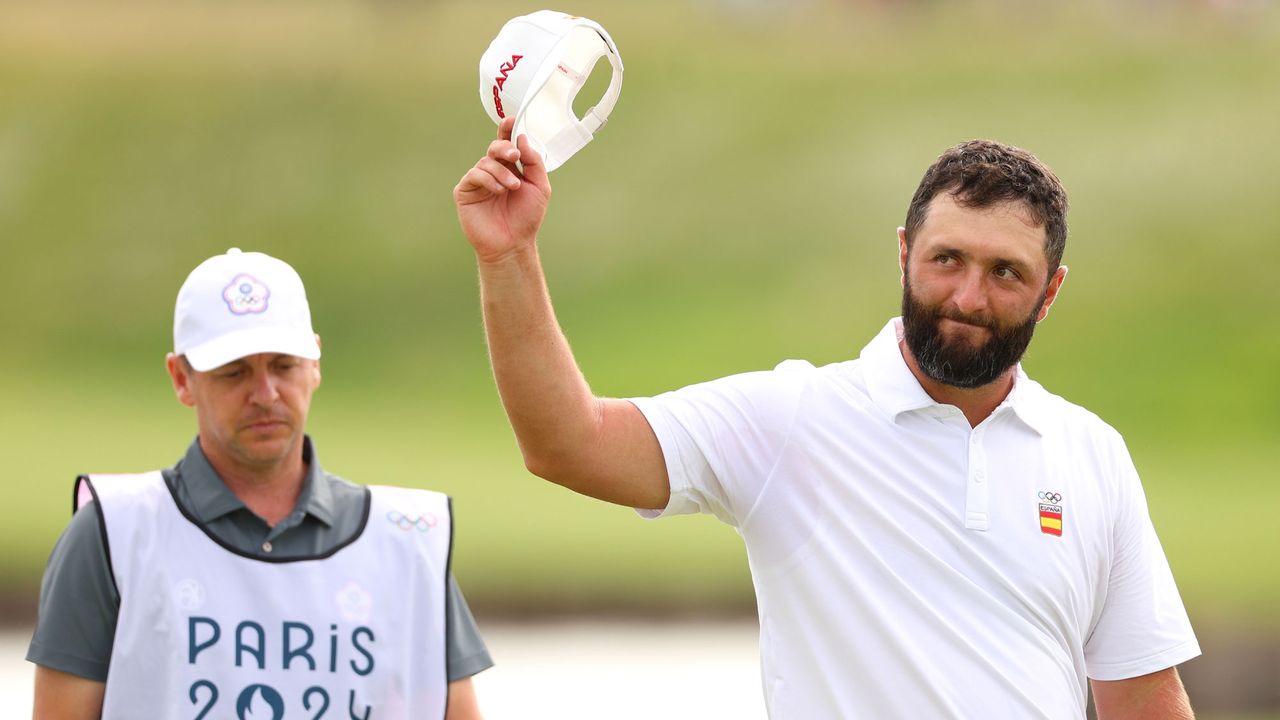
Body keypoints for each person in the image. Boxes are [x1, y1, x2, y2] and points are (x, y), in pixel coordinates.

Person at [453, 118, 1201, 718]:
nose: (969, 298)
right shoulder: (794, 420)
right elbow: (569, 444)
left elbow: (1144, 698)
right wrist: (508, 255)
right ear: (905, 253)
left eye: (1005, 272)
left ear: (1050, 291)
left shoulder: (1090, 453)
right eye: (948, 259)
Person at [28, 249, 491, 719]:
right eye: (234, 371)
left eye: (283, 365)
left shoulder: (406, 541)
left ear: (315, 363)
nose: (265, 394)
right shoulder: (113, 533)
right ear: (181, 378)